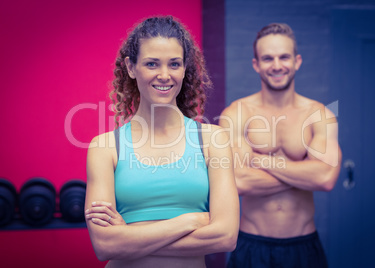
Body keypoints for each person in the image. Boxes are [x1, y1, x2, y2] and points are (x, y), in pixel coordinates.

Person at [84, 16, 239, 268]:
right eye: (152, 64)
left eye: (174, 64)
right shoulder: (104, 147)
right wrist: (189, 222)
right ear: (131, 68)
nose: (164, 75)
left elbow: (225, 237)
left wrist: (132, 236)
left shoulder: (213, 140)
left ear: (185, 68)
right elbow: (105, 246)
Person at [219, 23, 342, 268]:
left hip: (303, 246)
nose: (277, 66)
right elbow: (237, 182)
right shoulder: (237, 114)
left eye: (284, 57)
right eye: (268, 58)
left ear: (297, 61)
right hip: (251, 245)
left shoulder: (318, 114)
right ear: (256, 64)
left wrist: (260, 160)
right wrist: (303, 170)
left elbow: (325, 178)